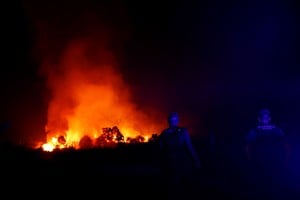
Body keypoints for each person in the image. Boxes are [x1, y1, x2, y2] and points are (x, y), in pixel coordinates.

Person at [244, 108, 290, 199]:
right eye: (263, 116)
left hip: (273, 161)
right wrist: (248, 157)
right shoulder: (255, 130)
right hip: (260, 160)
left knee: (271, 182)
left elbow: (285, 143)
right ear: (259, 118)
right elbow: (248, 144)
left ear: (269, 118)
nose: (265, 118)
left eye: (267, 116)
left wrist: (286, 156)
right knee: (262, 182)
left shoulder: (275, 129)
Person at [158, 112, 201, 199]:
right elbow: (189, 146)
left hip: (177, 162)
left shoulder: (170, 132)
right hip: (174, 163)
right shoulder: (170, 133)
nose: (173, 121)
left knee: (177, 185)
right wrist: (196, 160)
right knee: (176, 186)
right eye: (172, 120)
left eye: (174, 120)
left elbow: (189, 146)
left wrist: (196, 160)